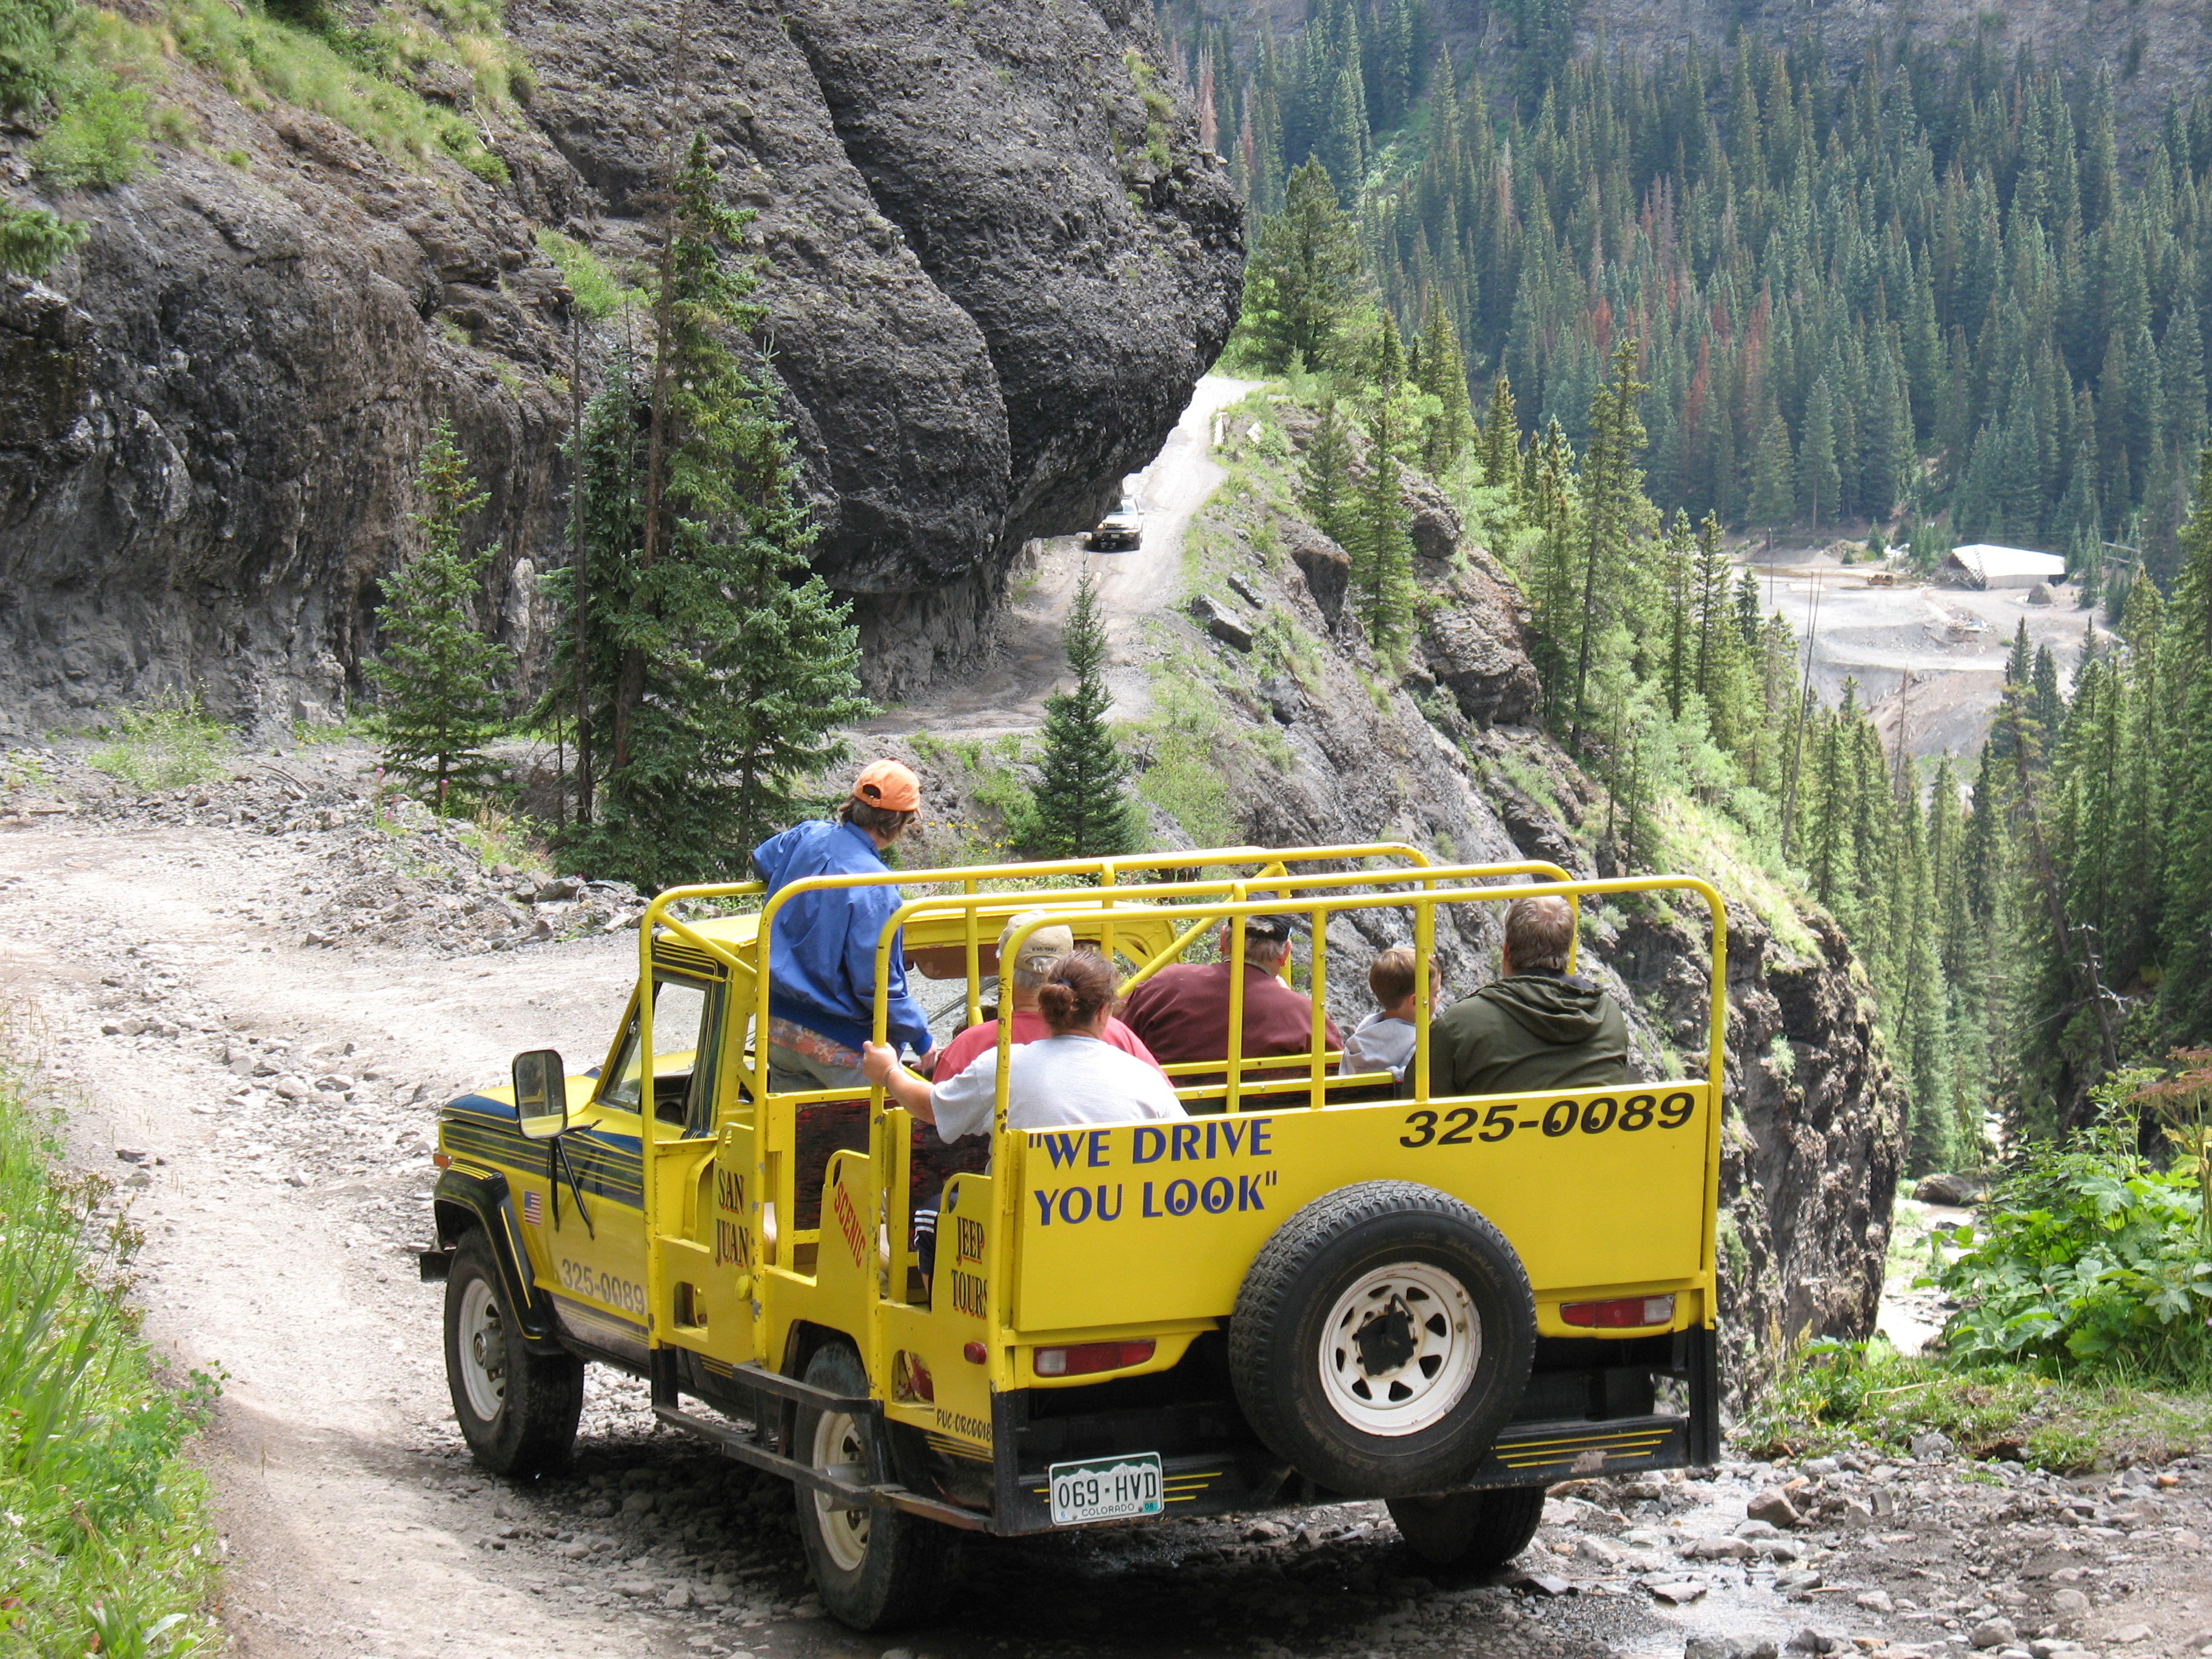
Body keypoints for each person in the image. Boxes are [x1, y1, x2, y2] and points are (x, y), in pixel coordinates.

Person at [751, 759, 939, 1097]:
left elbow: (761, 860)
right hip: (840, 1043)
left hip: (777, 1028)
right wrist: (921, 1037)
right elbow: (876, 982)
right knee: (891, 1120)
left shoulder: (807, 834)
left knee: (795, 1128)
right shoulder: (876, 886)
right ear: (898, 822)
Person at [863, 949, 1184, 1142]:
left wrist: (889, 1072)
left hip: (1016, 1225)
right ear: (1104, 1012)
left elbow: (931, 1107)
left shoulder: (1002, 1067)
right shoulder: (1145, 1078)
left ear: (1045, 1006)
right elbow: (1187, 1141)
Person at [1116, 914, 1342, 1105]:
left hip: (1159, 1125)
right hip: (1265, 1134)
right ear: (1285, 954)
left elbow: (1115, 1038)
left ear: (1223, 939)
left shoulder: (1166, 984)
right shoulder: (1305, 1015)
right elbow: (1337, 1081)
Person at [1428, 894, 1628, 1096]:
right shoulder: (1608, 1014)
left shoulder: (1459, 1025)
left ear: (1506, 951)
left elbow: (1418, 1105)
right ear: (1567, 951)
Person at [929, 910, 1163, 1081]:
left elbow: (935, 1121)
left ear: (1003, 965)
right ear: (1070, 966)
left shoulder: (971, 1046)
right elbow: (1165, 1101)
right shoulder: (1116, 1034)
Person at [1338, 945, 1443, 1083]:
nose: (1439, 998)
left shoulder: (1365, 1028)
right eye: (1435, 994)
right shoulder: (1421, 1041)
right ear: (1415, 1002)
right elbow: (1411, 1083)